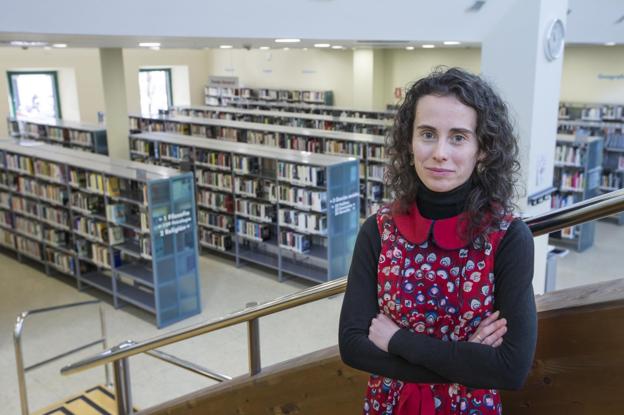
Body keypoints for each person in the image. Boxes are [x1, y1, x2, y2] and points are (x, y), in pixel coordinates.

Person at [339, 67, 537, 415]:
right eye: (428, 133)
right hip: (389, 407)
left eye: (458, 137)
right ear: (409, 141)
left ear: (483, 150)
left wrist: (398, 341)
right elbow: (352, 346)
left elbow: (510, 368)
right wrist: (465, 359)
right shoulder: (379, 230)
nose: (440, 152)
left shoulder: (507, 238)